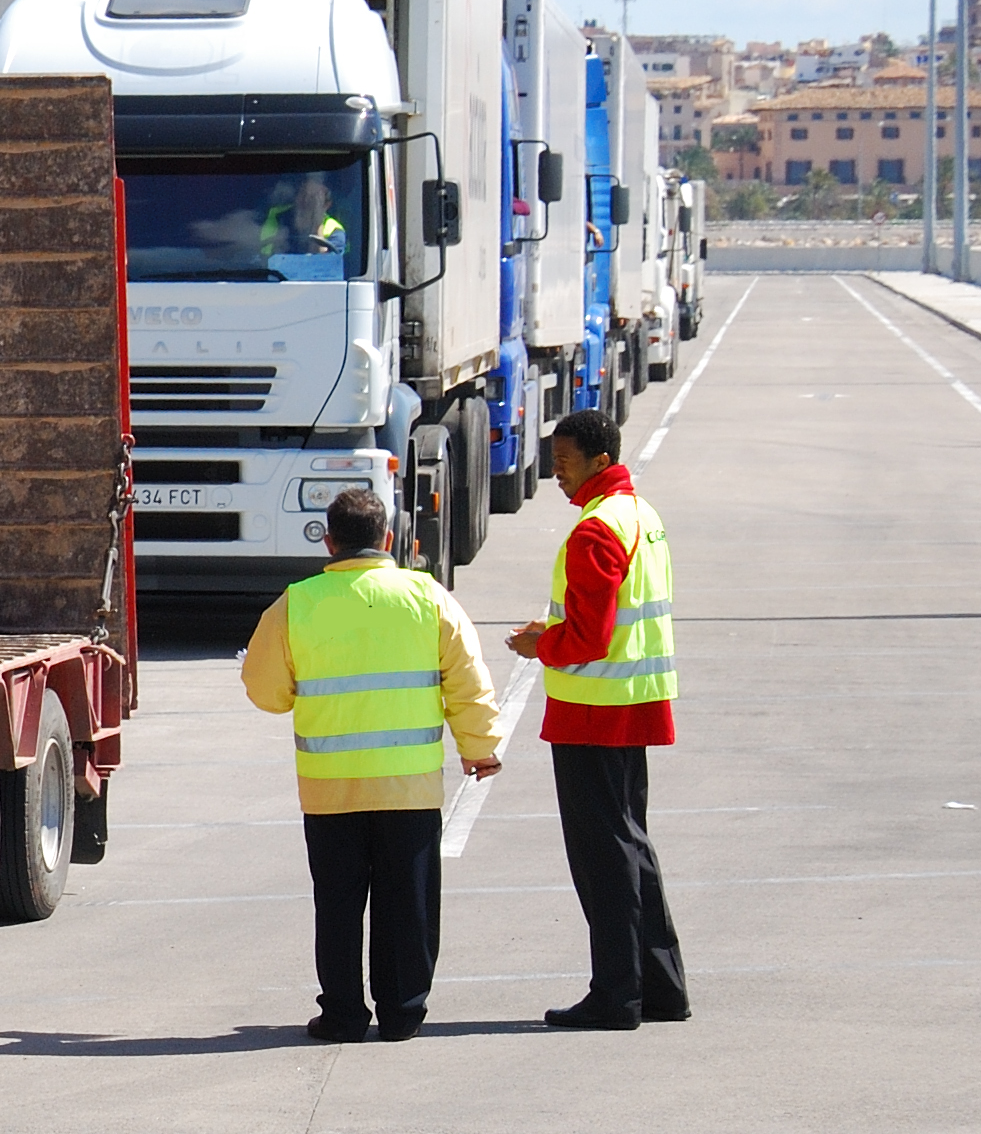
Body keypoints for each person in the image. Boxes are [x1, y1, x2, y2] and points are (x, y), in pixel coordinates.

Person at [240, 483, 505, 1042]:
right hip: (408, 789)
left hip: (329, 789)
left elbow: (265, 691)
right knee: (406, 902)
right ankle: (403, 1010)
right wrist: (479, 746)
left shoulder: (297, 602)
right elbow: (468, 679)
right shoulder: (427, 597)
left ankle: (342, 1013)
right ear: (388, 539)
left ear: (329, 542)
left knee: (337, 906)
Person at [509, 408, 686, 1029]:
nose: (556, 475)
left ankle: (617, 993)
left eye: (564, 464)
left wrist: (541, 642)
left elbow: (587, 635)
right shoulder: (642, 515)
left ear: (599, 462)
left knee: (602, 858)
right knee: (631, 844)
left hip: (594, 709)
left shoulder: (594, 530)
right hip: (635, 701)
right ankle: (660, 987)